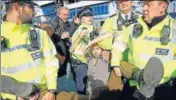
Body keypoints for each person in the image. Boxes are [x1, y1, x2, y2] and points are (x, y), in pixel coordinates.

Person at [116, 0, 176, 99]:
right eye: (143, 4)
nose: (144, 8)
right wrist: (134, 72)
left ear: (163, 7)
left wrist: (154, 75)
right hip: (133, 87)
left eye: (149, 4)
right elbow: (123, 54)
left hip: (162, 90)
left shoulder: (174, 29)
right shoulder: (132, 26)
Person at [84, 0, 138, 90]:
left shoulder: (140, 18)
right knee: (115, 93)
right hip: (117, 64)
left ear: (131, 2)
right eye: (121, 1)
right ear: (117, 4)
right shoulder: (110, 20)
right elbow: (102, 42)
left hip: (136, 63)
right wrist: (115, 40)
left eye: (126, 1)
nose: (123, 3)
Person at [70, 7, 95, 95]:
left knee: (85, 86)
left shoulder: (85, 27)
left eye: (91, 15)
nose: (90, 17)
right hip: (81, 63)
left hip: (83, 62)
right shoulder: (84, 28)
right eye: (87, 16)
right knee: (83, 88)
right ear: (81, 19)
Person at [51, 7, 72, 77]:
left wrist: (69, 36)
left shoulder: (67, 22)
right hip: (58, 51)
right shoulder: (54, 22)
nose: (66, 17)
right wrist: (60, 36)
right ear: (59, 14)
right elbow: (49, 36)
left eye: (67, 15)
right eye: (64, 15)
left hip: (65, 49)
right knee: (60, 73)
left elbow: (70, 31)